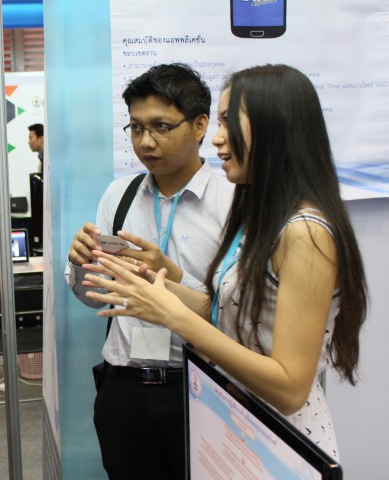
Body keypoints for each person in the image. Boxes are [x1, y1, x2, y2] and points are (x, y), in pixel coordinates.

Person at [83, 64, 367, 461]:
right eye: (219, 122)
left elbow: (289, 389)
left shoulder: (305, 232)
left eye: (229, 123)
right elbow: (228, 312)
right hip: (235, 421)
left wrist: (173, 316)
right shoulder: (262, 217)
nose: (217, 138)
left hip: (277, 443)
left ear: (275, 127)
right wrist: (156, 282)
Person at [65, 63, 232, 480]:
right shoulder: (119, 195)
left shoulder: (231, 202)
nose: (145, 141)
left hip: (199, 387)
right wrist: (80, 265)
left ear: (200, 125)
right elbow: (93, 296)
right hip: (124, 389)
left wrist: (171, 280)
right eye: (136, 128)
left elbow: (237, 313)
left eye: (161, 126)